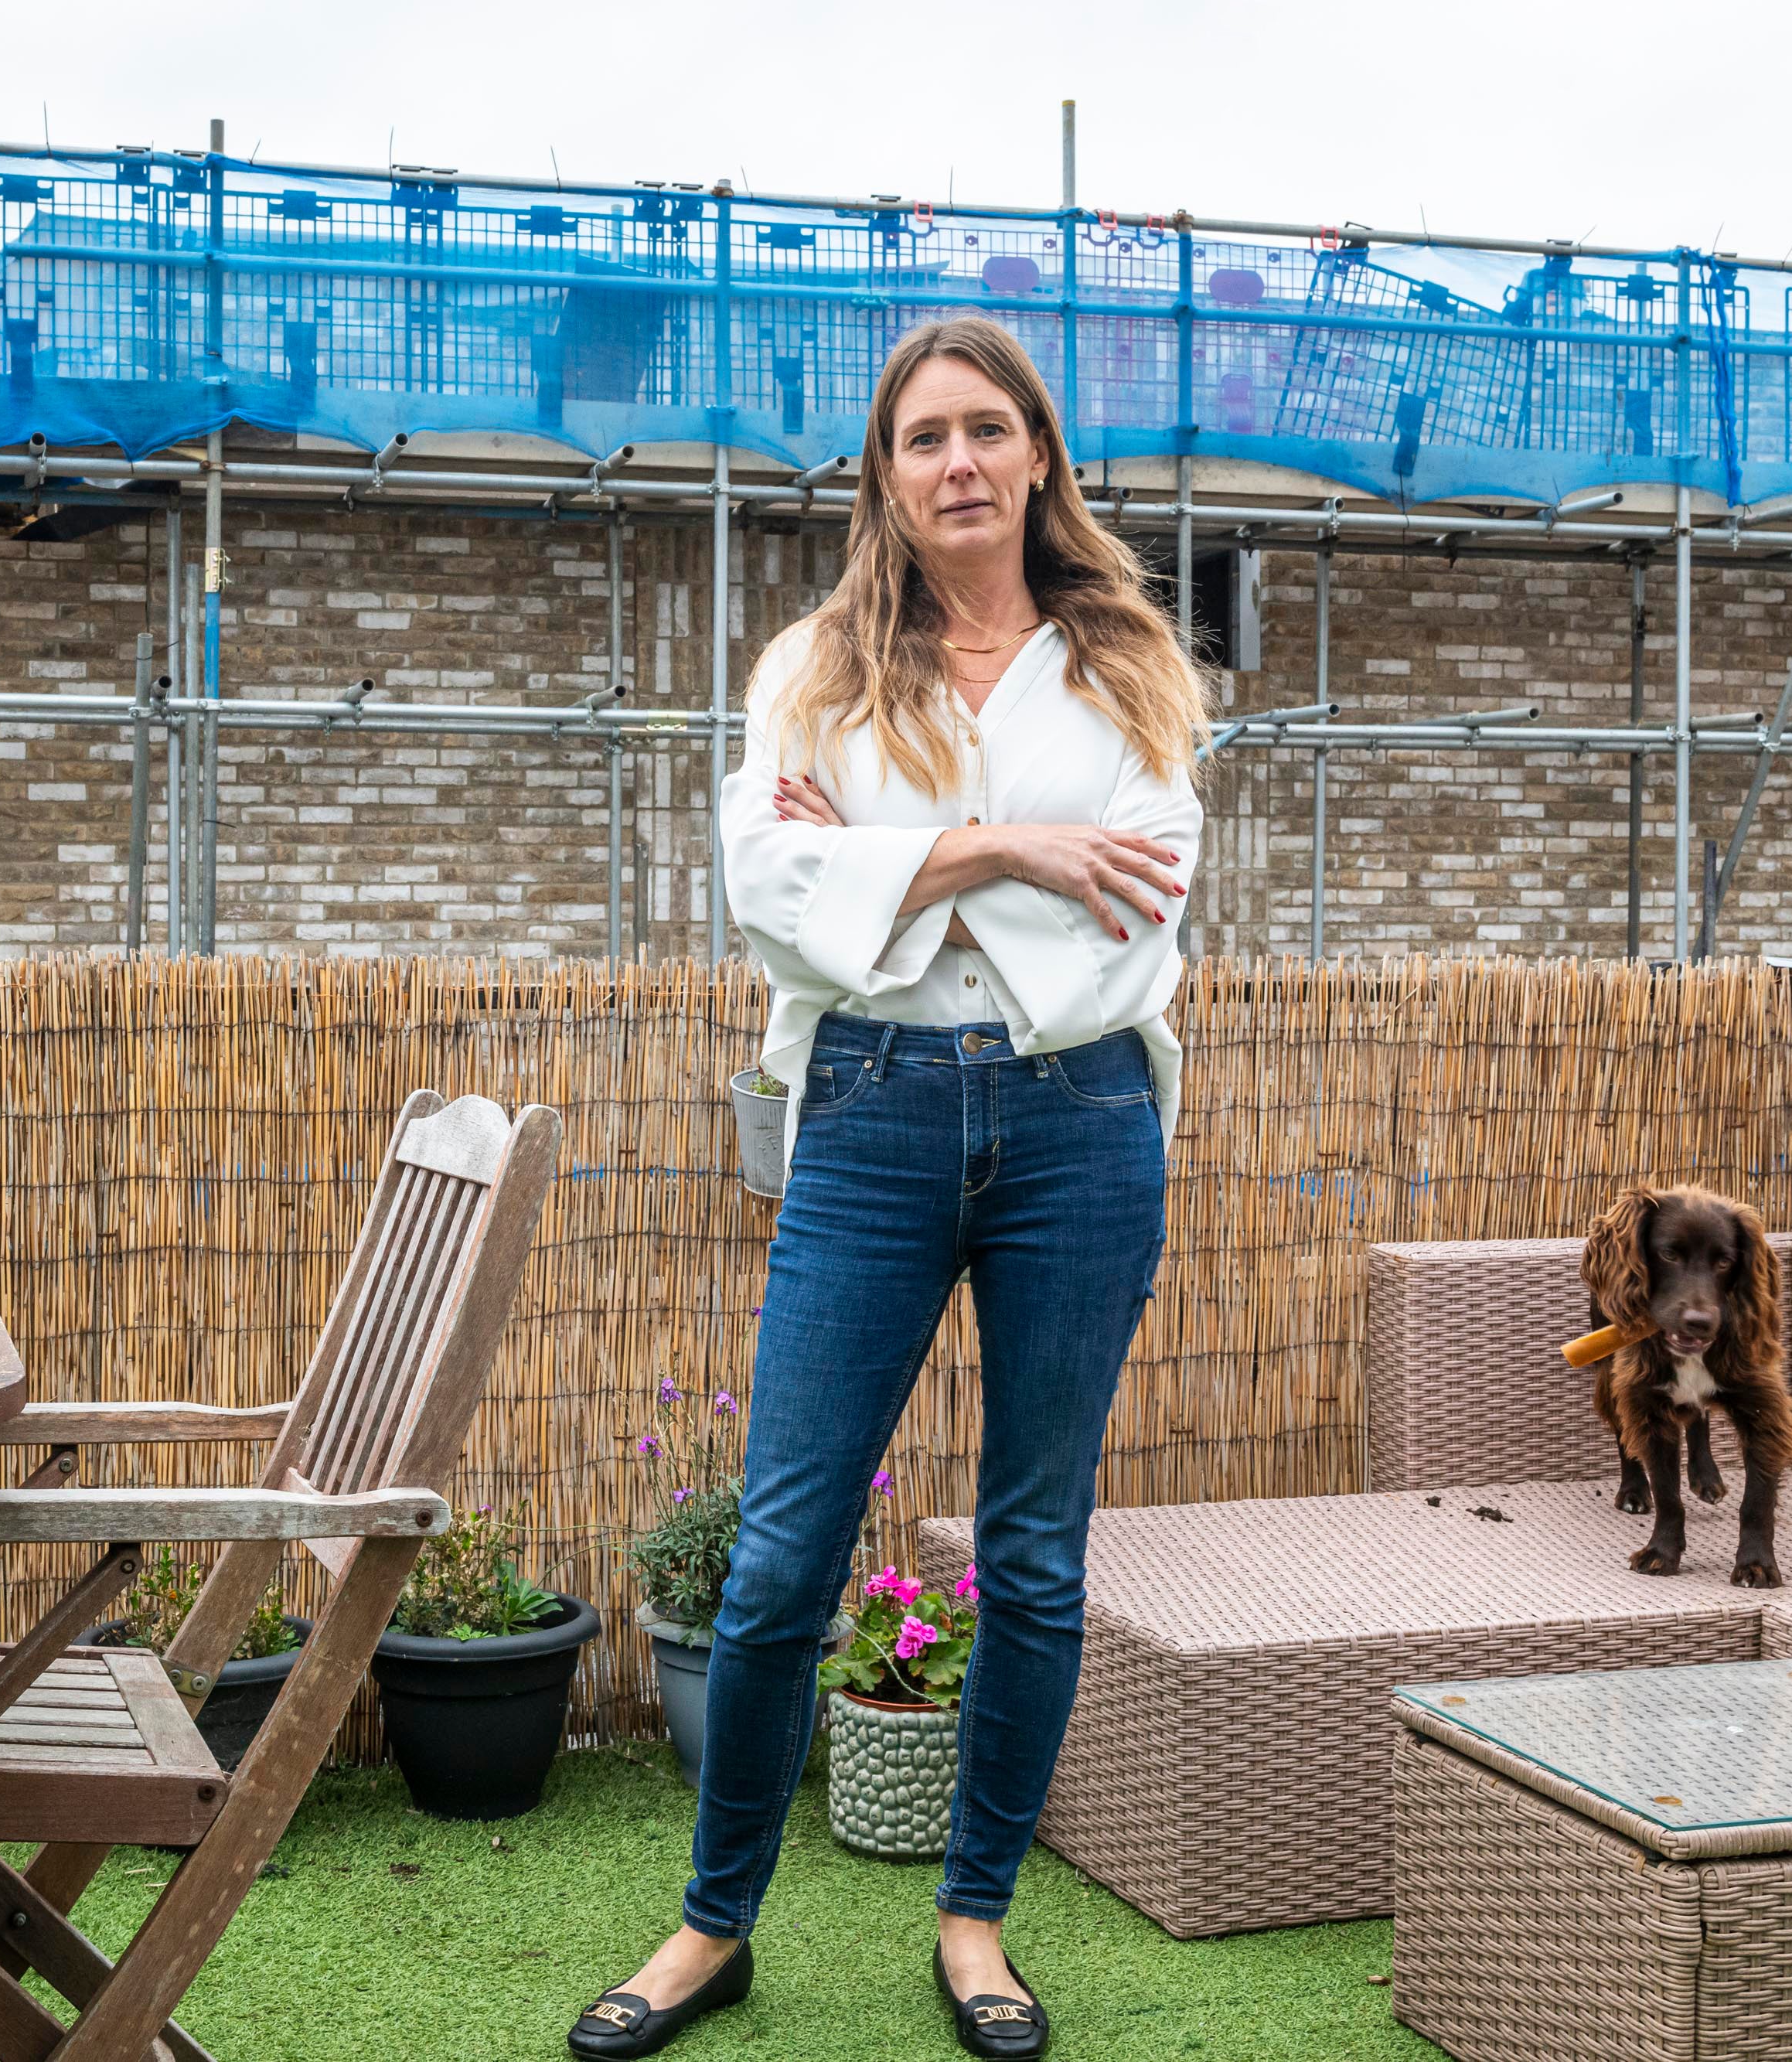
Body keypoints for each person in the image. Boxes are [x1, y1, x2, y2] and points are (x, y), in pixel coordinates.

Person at [569, 315, 1206, 2060]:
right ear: (885, 471)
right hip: (866, 1108)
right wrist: (1003, 846)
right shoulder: (815, 666)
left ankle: (975, 1917)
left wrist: (875, 868)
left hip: (1081, 1120)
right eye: (923, 436)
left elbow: (1134, 902)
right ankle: (713, 1925)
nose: (957, 463)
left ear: (1036, 458)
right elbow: (763, 893)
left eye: (987, 431)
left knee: (1034, 1549)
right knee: (781, 1554)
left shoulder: (1126, 660)